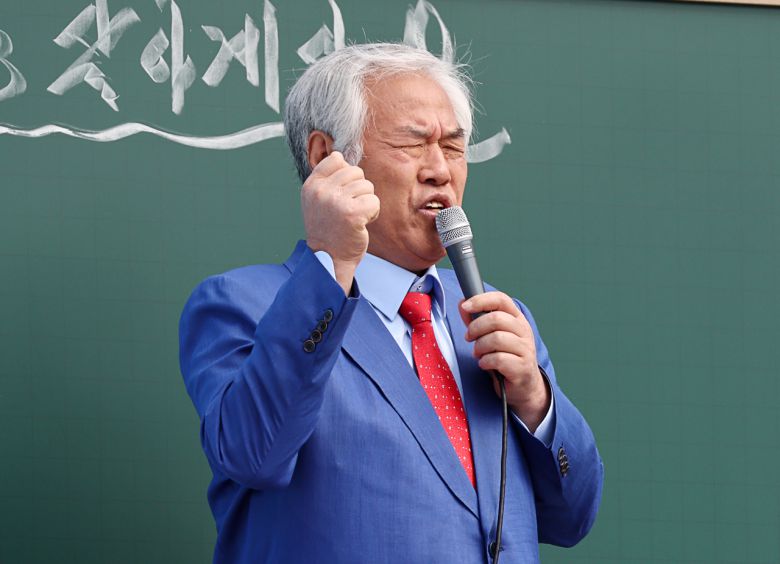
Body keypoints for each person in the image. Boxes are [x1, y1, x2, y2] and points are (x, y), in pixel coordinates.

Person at [179, 43, 603, 564]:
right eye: (413, 144)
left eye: (453, 147)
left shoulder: (493, 316)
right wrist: (331, 264)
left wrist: (536, 402)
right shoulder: (244, 304)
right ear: (326, 158)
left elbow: (572, 517)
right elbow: (253, 454)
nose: (440, 171)